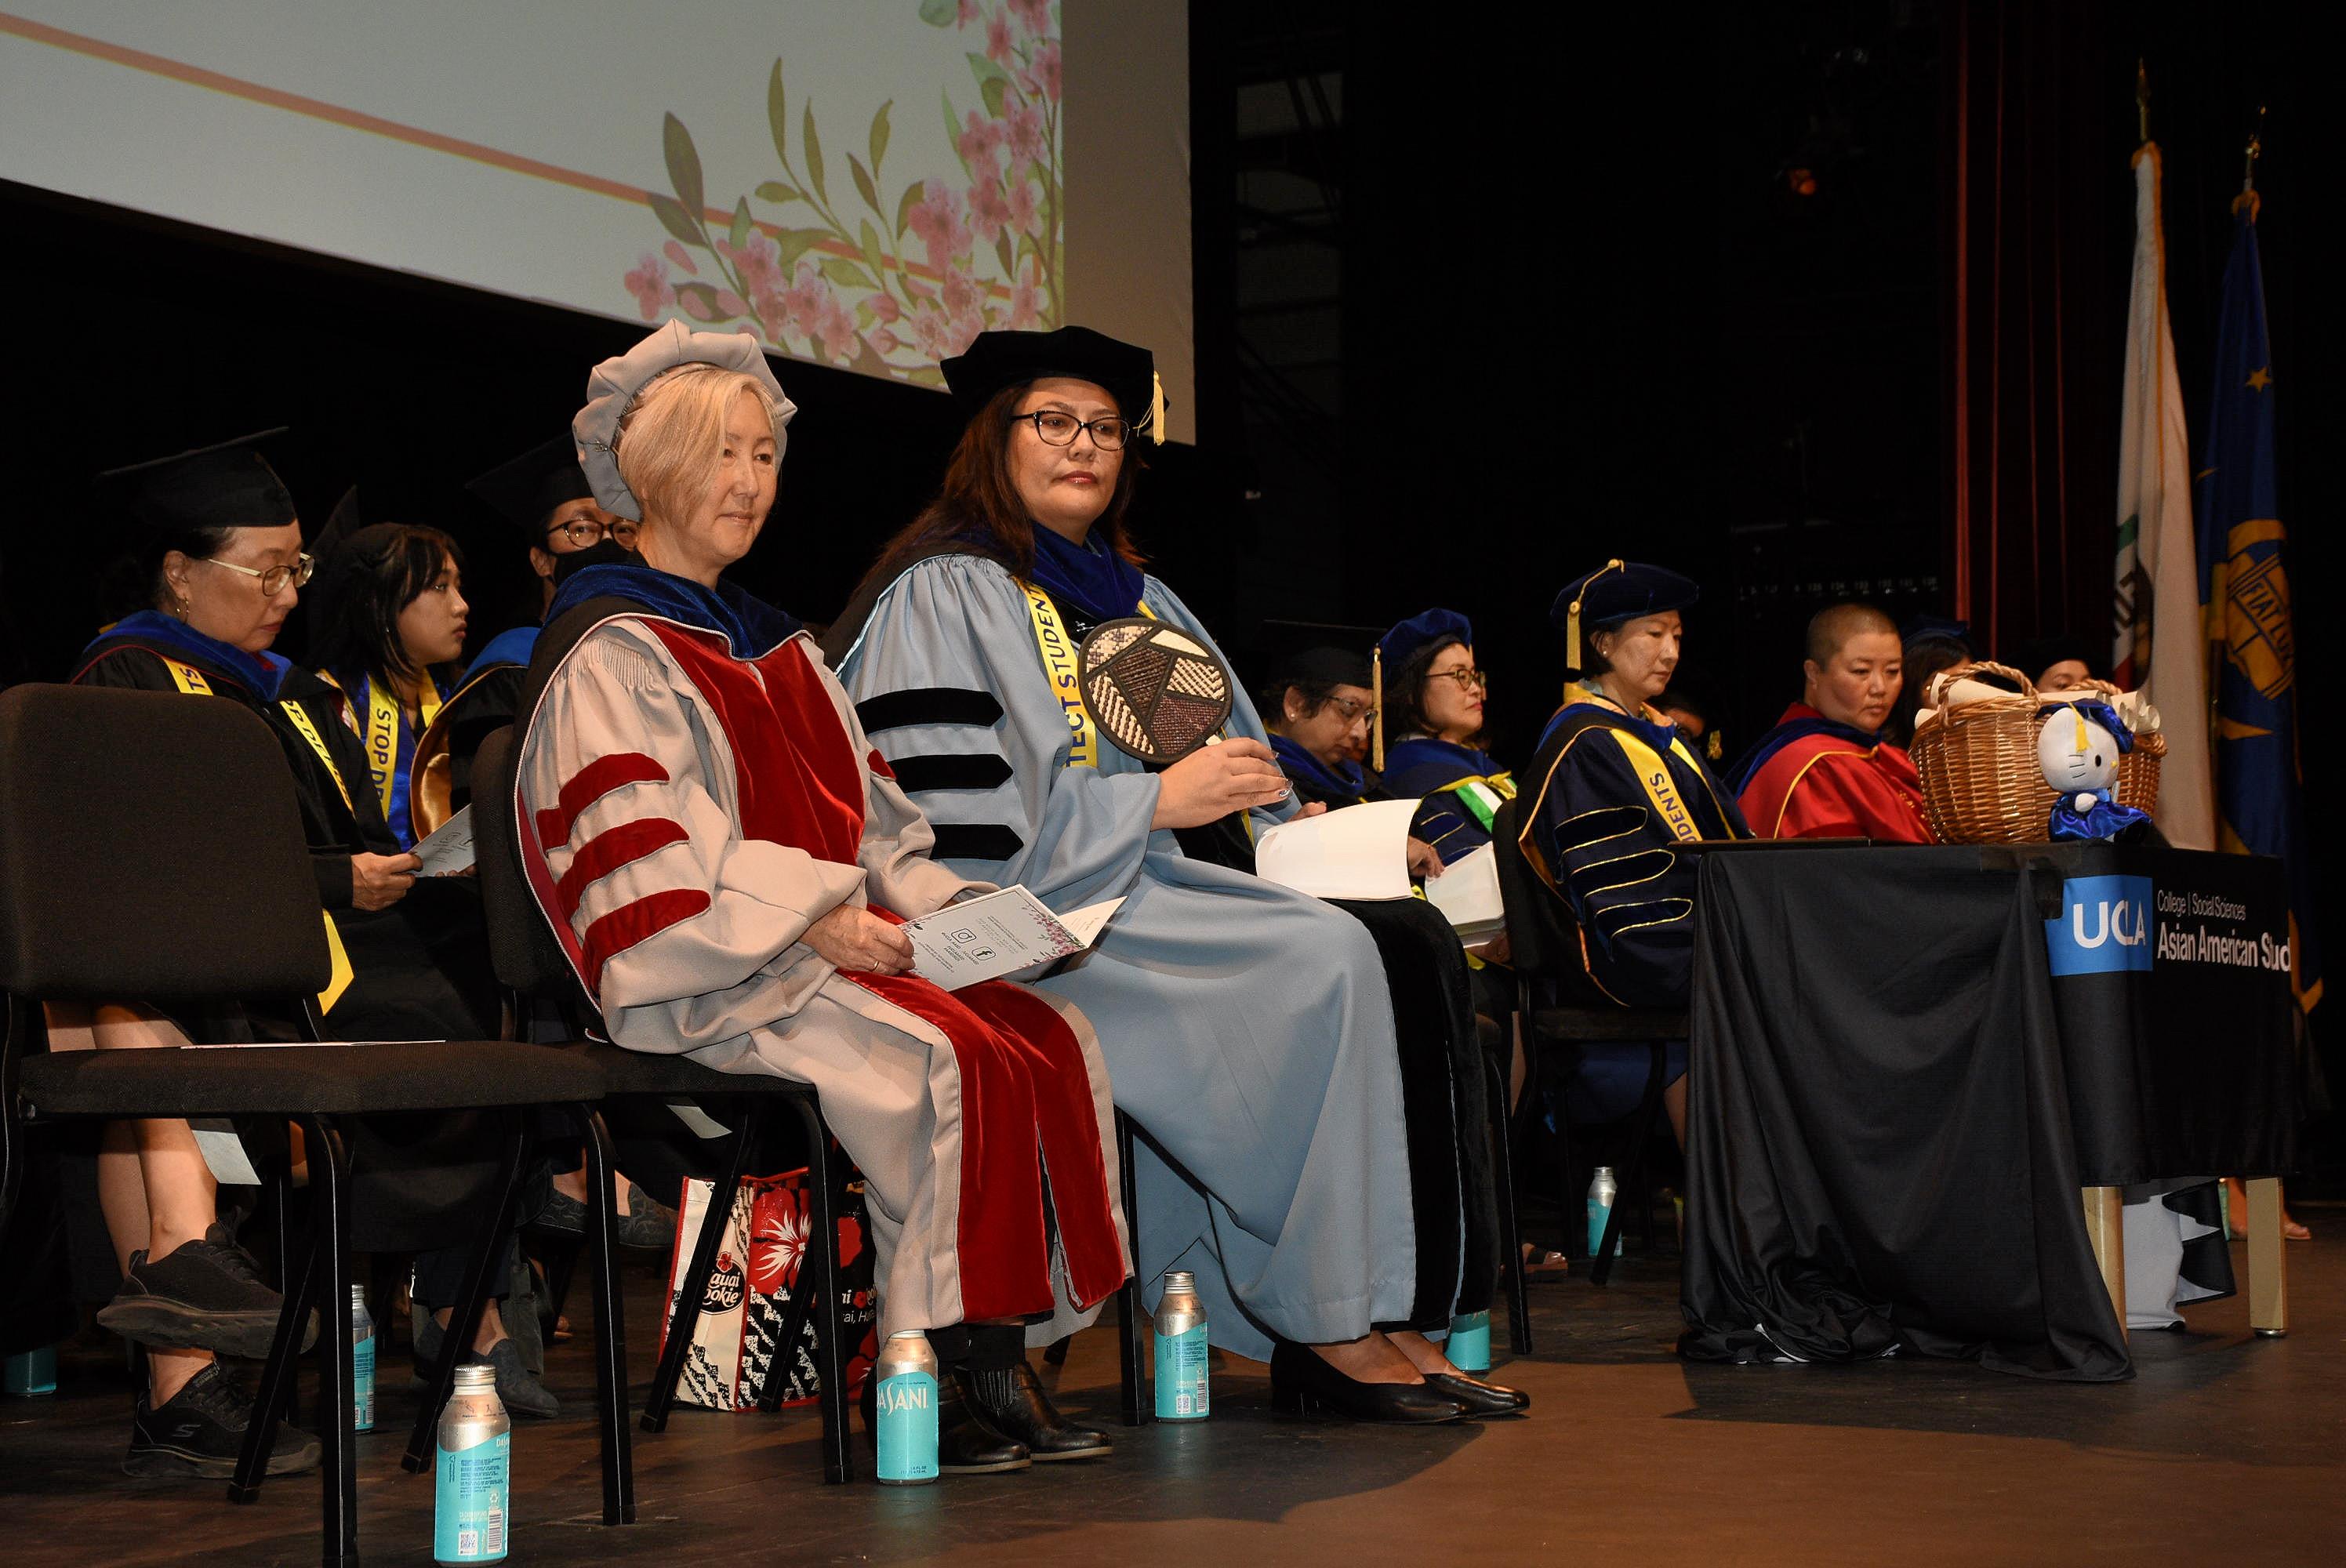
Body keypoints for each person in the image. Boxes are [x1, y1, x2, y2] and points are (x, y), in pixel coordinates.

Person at [830, 325, 1521, 1422]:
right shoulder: (944, 590)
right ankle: (1323, 1320)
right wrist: (1150, 805)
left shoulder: (1141, 600)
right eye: (1053, 422)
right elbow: (950, 836)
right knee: (1321, 961)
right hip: (1033, 919)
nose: (1084, 446)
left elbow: (1236, 769)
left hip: (1147, 892)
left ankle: (1374, 1307)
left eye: (1106, 429)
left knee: (1395, 938)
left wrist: (1305, 831)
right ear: (994, 440)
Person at [510, 319, 1134, 1472]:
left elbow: (880, 830)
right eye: (722, 454)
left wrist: (961, 911)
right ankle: (925, 1370)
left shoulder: (781, 648)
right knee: (942, 1061)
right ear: (652, 470)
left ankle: (992, 1358)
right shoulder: (612, 648)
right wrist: (814, 921)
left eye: (763, 455)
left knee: (1044, 1034)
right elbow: (654, 874)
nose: (751, 482)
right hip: (711, 975)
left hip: (815, 959)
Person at [1515, 560, 1749, 1145]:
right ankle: (1732, 1193)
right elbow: (1628, 891)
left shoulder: (1653, 734)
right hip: (1629, 956)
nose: (1671, 652)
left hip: (1686, 939)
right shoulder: (1587, 743)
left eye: (1677, 636)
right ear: (1601, 644)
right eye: (1654, 634)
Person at [307, 521, 472, 852]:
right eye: (440, 586)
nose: (461, 605)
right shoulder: (331, 704)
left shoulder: (459, 696)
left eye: (458, 586)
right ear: (379, 601)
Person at [1730, 602, 1933, 843]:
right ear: (1813, 673)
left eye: (1892, 671)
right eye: (1861, 671)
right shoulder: (1816, 767)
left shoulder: (1884, 755)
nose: (1880, 688)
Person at [1377, 610, 1515, 866]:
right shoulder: (1415, 782)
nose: (1476, 689)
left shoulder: (1484, 769)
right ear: (1412, 691)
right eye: (1460, 676)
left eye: (1474, 676)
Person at [1889, 614, 1974, 747]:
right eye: (1937, 688)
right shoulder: (1887, 756)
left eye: (1966, 686)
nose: (1954, 701)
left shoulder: (1992, 751)